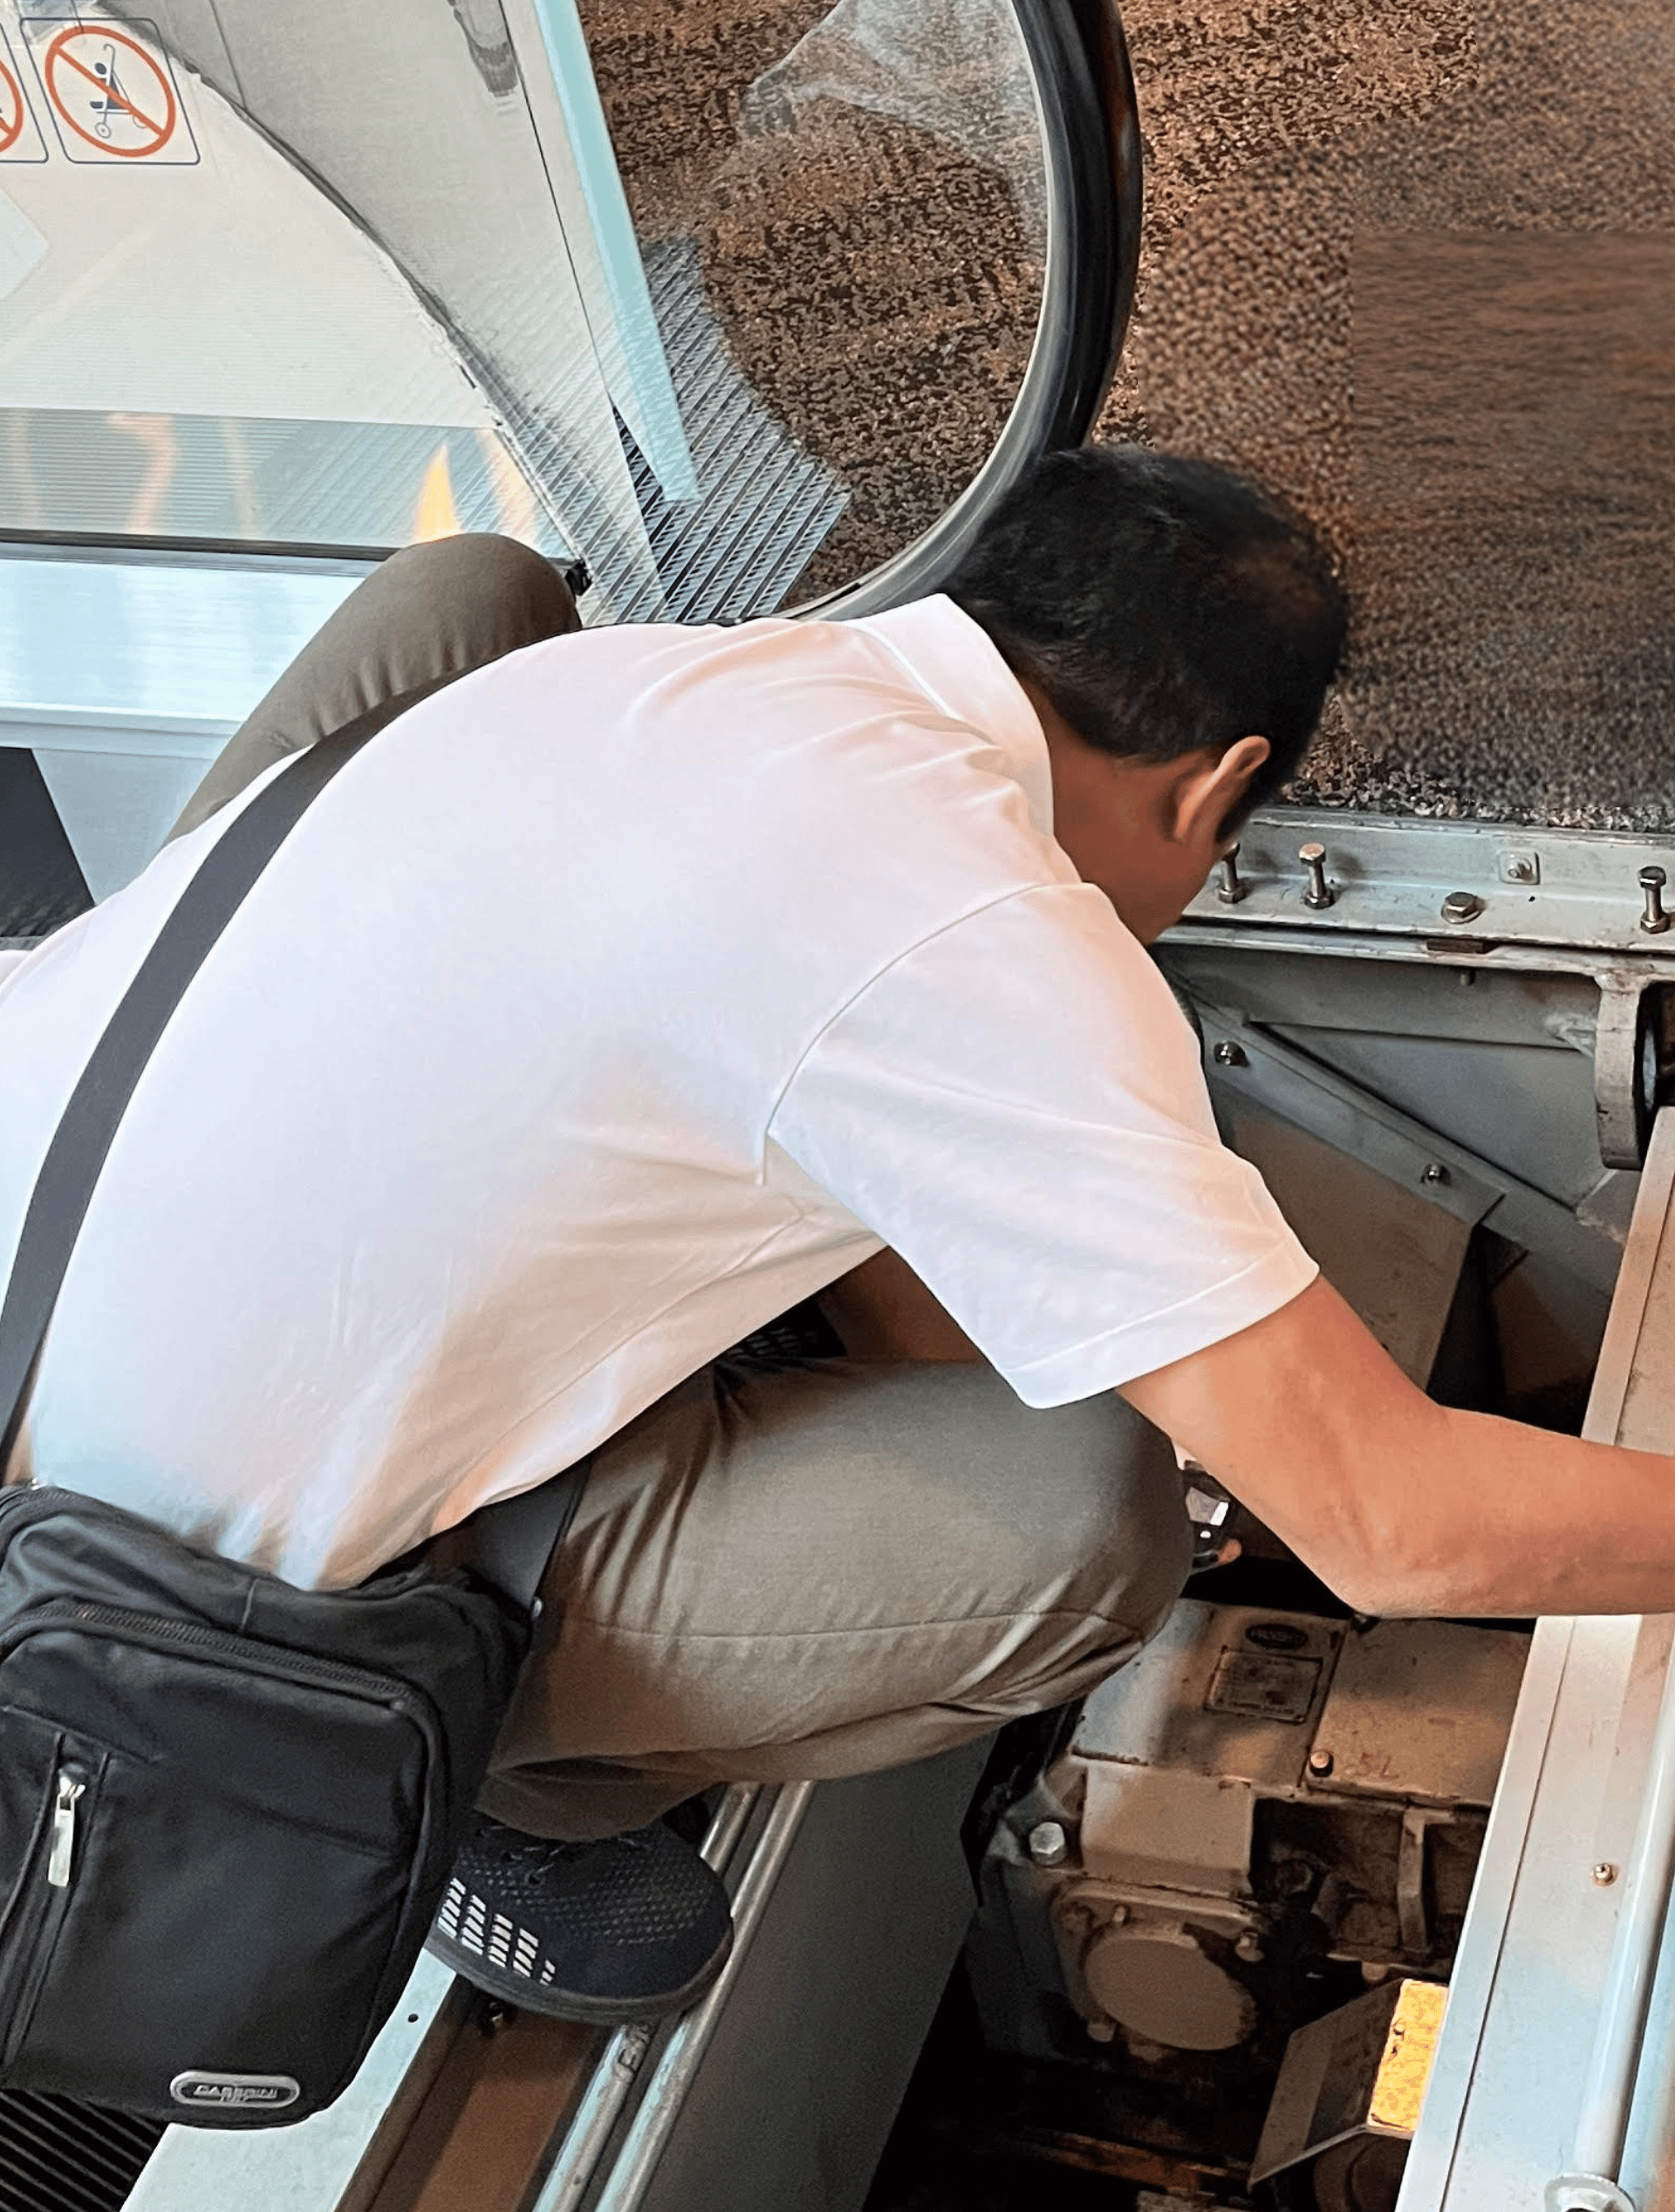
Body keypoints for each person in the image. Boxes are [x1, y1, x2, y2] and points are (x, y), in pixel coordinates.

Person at [2, 446, 1654, 2034]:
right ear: (1218, 785)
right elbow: (1393, 1527)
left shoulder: (666, 681)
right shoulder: (979, 926)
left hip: (46, 1266)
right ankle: (460, 1790)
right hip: (127, 1617)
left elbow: (855, 1112)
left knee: (466, 589)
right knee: (1083, 1513)